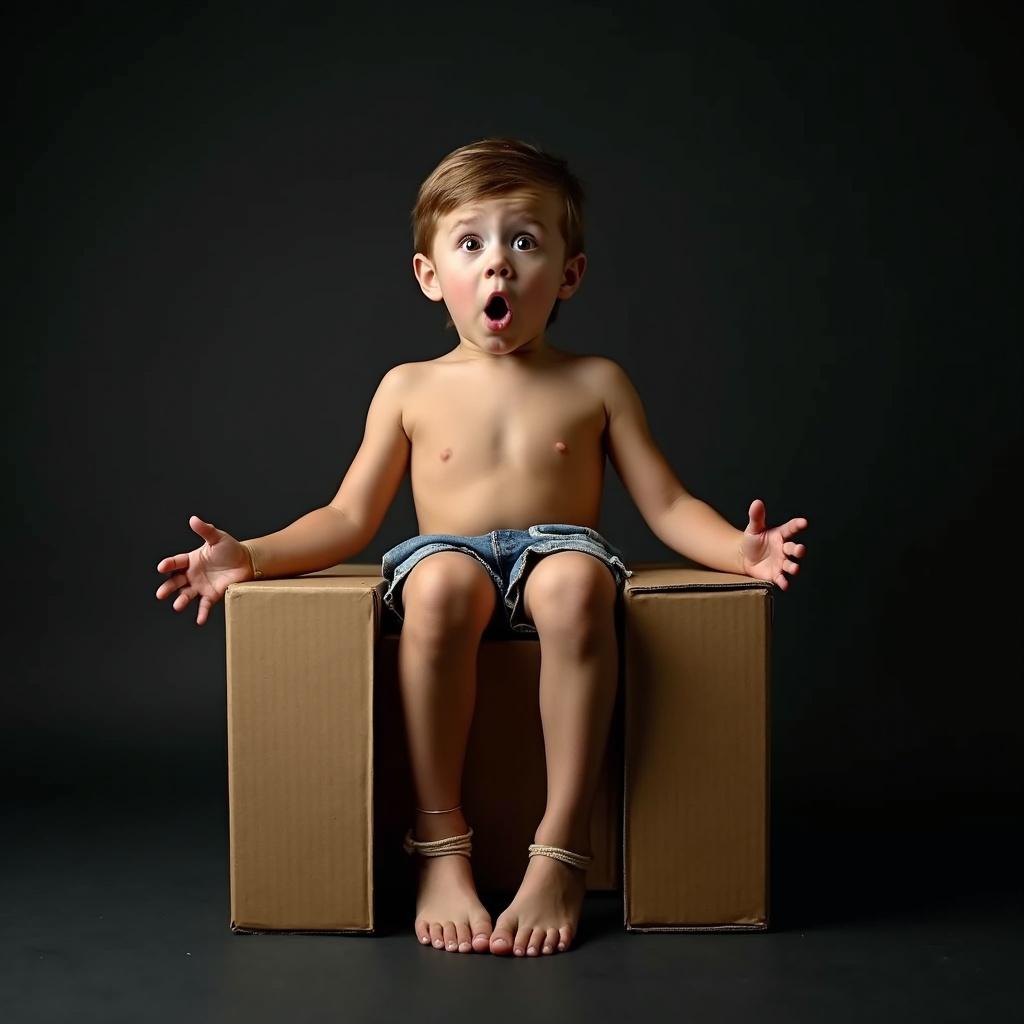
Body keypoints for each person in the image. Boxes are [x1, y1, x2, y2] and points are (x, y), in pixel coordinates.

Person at [155, 136, 808, 959]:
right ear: (431, 276)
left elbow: (667, 502)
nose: (498, 267)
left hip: (560, 552)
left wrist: (737, 552)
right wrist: (250, 554)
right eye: (471, 244)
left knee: (574, 583)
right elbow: (348, 515)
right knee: (437, 587)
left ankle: (561, 848)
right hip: (445, 557)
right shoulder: (409, 387)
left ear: (568, 274)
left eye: (524, 242)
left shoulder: (596, 382)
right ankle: (441, 844)